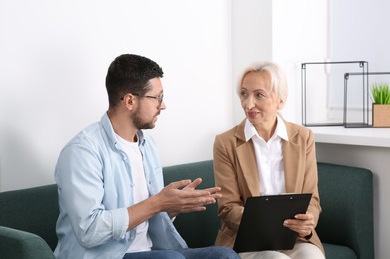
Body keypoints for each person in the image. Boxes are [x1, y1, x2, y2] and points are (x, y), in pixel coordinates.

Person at [54, 53, 239, 259]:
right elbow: (89, 231)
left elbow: (148, 215)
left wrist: (174, 205)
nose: (163, 106)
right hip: (106, 255)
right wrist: (159, 203)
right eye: (157, 98)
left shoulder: (147, 144)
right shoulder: (83, 151)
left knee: (225, 256)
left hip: (152, 252)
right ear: (130, 101)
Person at [213, 61, 325, 259]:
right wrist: (270, 223)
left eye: (259, 95)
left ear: (280, 101)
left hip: (295, 237)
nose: (248, 104)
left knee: (312, 257)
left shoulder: (303, 137)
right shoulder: (225, 143)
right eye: (244, 94)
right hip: (246, 239)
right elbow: (228, 208)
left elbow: (312, 199)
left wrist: (309, 220)